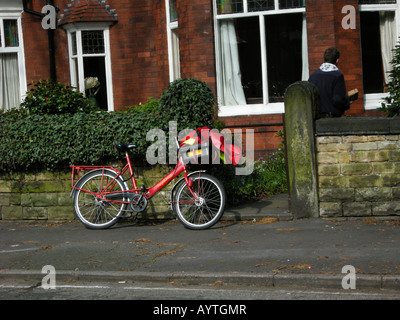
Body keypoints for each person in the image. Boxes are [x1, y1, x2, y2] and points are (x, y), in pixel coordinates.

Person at [308, 47, 350, 117]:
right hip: (332, 118)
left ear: (324, 59)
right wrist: (346, 104)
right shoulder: (337, 76)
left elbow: (309, 97)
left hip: (316, 117)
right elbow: (337, 99)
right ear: (337, 60)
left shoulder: (313, 75)